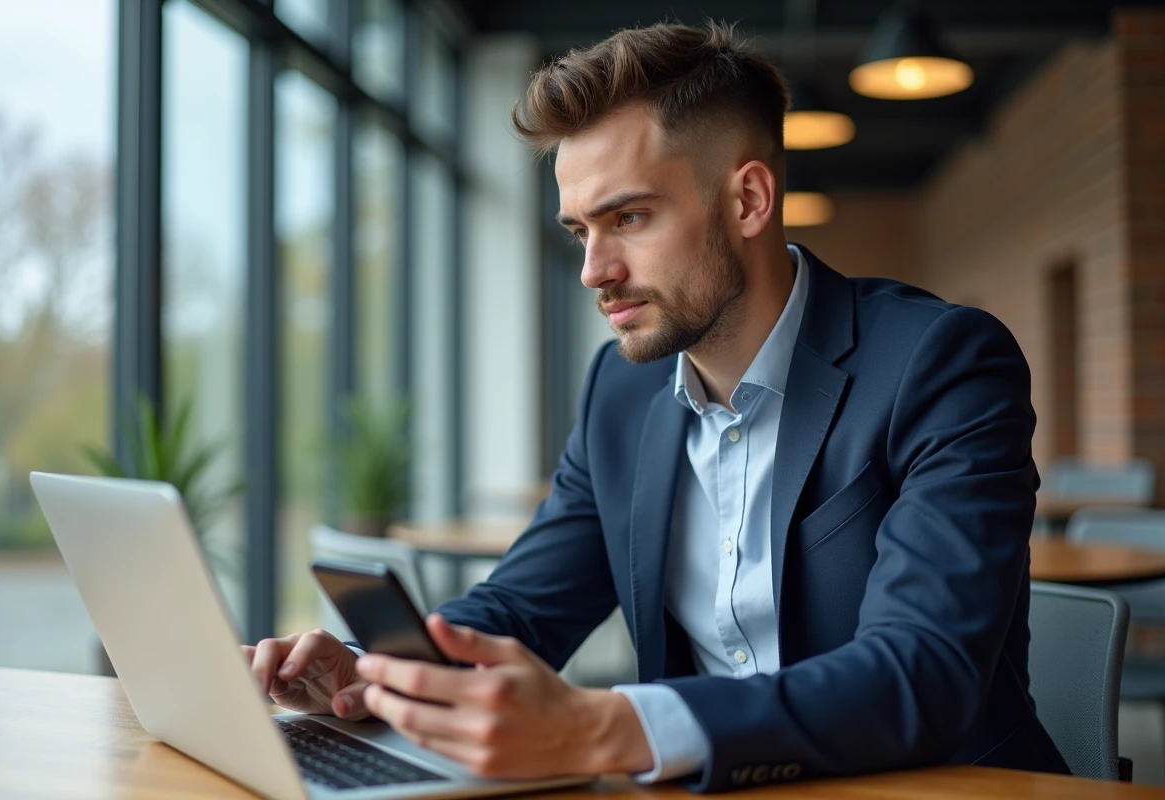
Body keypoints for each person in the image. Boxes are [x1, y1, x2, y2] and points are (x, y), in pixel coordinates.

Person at [244, 21, 1069, 791]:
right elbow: (523, 608)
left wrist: (609, 728)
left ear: (748, 200)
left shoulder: (942, 361)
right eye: (578, 231)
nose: (593, 271)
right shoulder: (622, 390)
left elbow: (922, 671)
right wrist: (373, 673)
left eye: (628, 217)